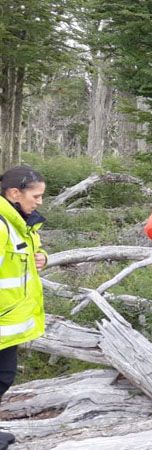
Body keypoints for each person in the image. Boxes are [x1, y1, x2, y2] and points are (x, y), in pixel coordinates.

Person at [0, 166, 48, 449]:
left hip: (9, 320)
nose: (40, 201)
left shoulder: (22, 222)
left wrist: (42, 257)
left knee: (3, 376)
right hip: (3, 317)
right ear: (14, 193)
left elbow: (29, 251)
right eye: (36, 195)